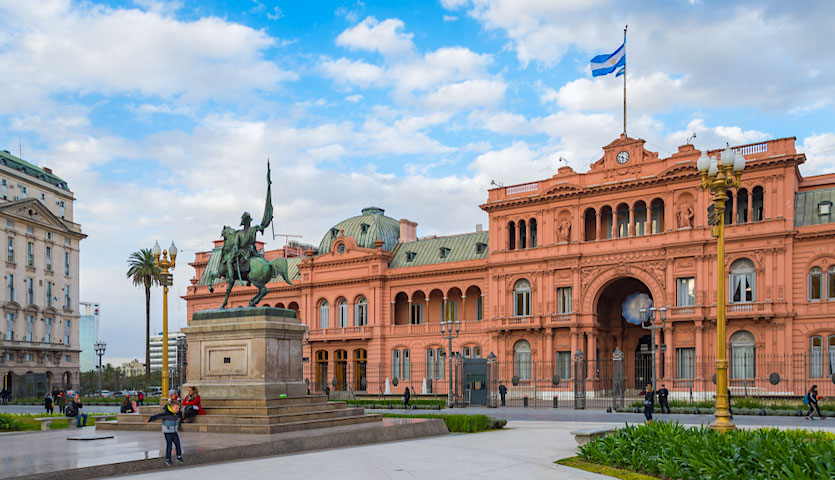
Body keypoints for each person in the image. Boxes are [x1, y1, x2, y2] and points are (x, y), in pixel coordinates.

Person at [147, 400, 184, 466]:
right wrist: (150, 419)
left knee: (177, 444)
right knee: (169, 445)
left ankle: (179, 456)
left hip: (174, 431)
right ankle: (168, 459)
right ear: (171, 407)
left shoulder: (178, 413)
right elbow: (157, 416)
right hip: (167, 432)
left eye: (178, 408)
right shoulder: (166, 414)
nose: (177, 410)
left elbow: (180, 415)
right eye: (176, 408)